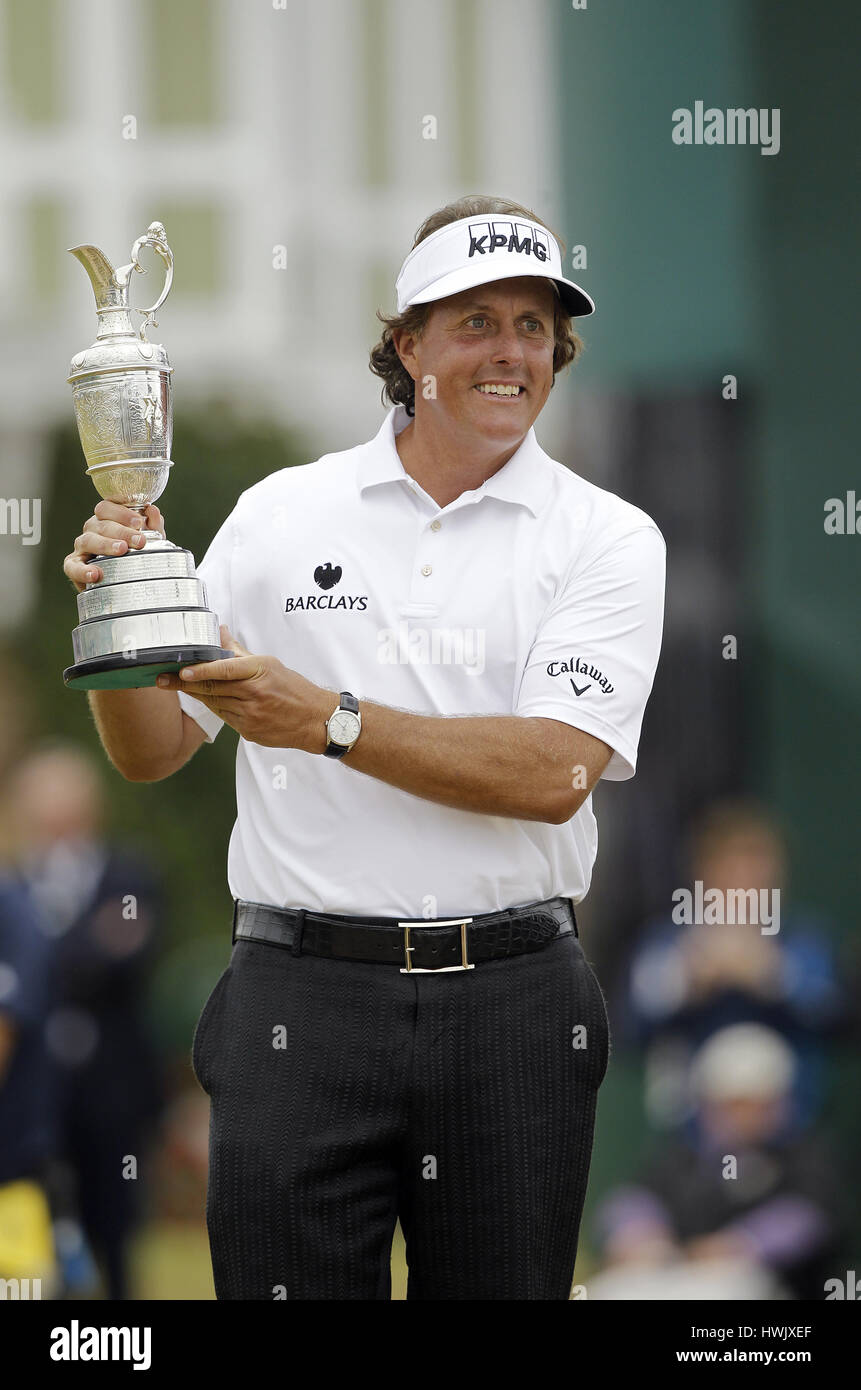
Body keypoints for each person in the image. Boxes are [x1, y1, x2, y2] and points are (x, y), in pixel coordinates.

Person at [63, 194, 666, 1300]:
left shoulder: (610, 537)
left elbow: (554, 771)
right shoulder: (281, 512)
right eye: (475, 320)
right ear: (409, 345)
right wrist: (118, 623)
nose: (509, 351)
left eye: (534, 326)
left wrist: (328, 722)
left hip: (514, 1003)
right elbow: (153, 749)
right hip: (299, 997)